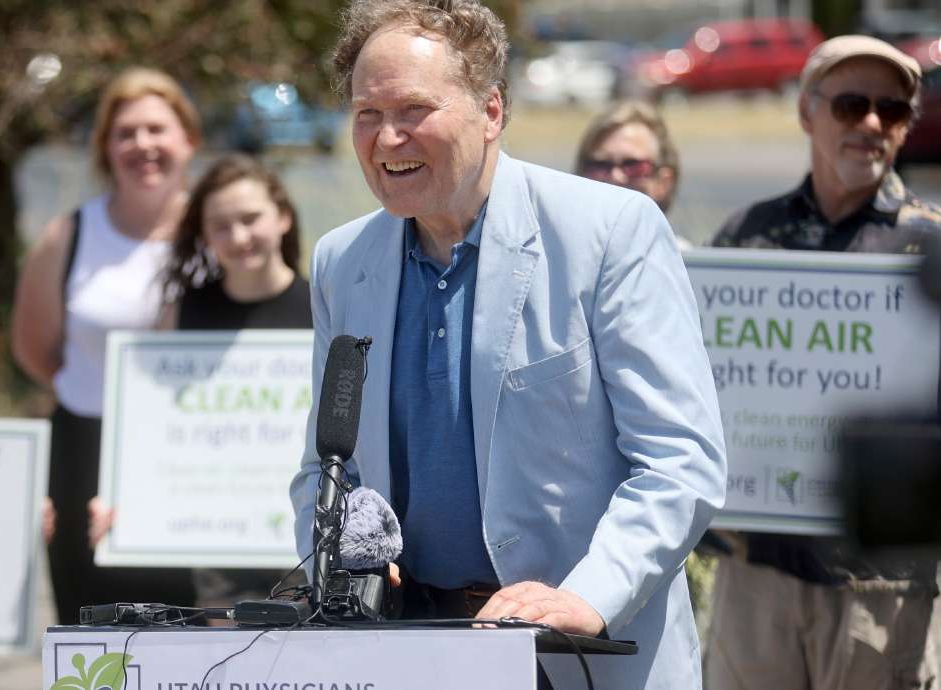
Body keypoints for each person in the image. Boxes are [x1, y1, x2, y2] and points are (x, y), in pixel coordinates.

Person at [287, 2, 726, 689]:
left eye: (413, 109)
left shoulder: (610, 232)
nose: (386, 137)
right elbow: (325, 468)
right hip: (409, 656)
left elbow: (680, 460)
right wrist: (340, 560)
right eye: (367, 114)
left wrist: (588, 595)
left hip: (579, 658)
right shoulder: (342, 261)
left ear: (491, 111)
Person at [705, 36, 941, 690]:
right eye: (851, 104)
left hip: (883, 585)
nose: (870, 124)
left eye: (891, 111)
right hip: (759, 574)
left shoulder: (932, 244)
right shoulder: (745, 236)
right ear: (809, 113)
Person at [11, 67, 199, 625]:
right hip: (82, 454)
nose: (143, 145)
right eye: (126, 133)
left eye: (157, 129)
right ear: (105, 149)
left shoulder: (219, 231)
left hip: (189, 460)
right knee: (90, 638)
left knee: (188, 636)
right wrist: (104, 396)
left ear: (188, 140)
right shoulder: (67, 234)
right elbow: (34, 351)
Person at [88, 154, 312, 610]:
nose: (239, 237)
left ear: (283, 217)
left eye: (251, 219)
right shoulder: (183, 313)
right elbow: (153, 426)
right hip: (213, 542)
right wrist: (123, 496)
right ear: (205, 236)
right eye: (221, 226)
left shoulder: (322, 308)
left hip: (303, 538)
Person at [575, 100, 692, 249]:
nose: (615, 177)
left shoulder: (684, 264)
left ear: (664, 183)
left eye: (633, 166)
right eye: (601, 165)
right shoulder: (557, 261)